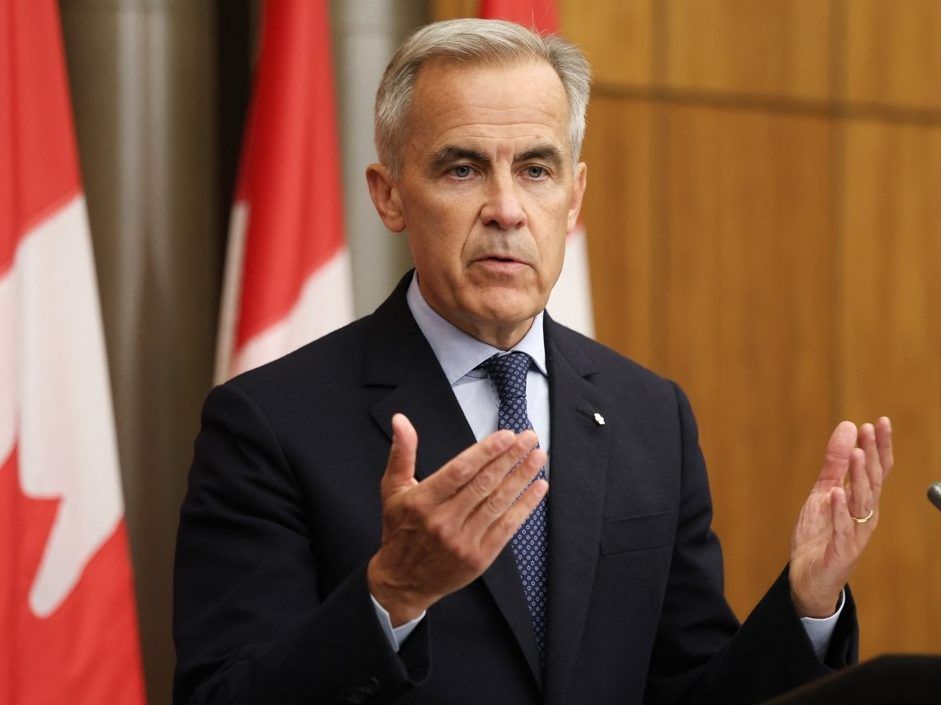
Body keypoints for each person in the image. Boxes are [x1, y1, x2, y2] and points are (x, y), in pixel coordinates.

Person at [173, 18, 893, 705]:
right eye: (462, 168)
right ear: (389, 196)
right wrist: (389, 596)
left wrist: (807, 601)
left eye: (535, 169)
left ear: (573, 196)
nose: (506, 209)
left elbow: (688, 688)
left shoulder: (649, 415)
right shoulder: (269, 422)